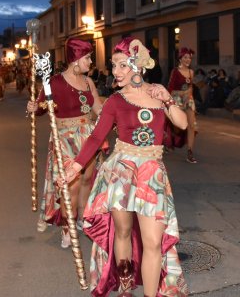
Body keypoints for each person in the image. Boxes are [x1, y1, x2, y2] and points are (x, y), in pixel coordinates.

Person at [59, 37, 189, 297]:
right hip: (121, 173)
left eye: (120, 65)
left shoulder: (157, 92)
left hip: (151, 174)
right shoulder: (116, 101)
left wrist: (168, 100)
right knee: (123, 231)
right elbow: (97, 137)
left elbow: (183, 124)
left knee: (153, 243)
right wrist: (75, 166)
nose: (115, 72)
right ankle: (126, 286)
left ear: (137, 65)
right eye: (114, 66)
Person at [26, 38, 104, 248]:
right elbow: (42, 107)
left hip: (88, 136)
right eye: (88, 58)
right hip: (65, 139)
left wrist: (110, 119)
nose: (90, 62)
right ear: (76, 59)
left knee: (88, 178)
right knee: (72, 183)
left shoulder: (89, 82)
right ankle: (67, 226)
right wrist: (34, 107)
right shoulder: (55, 83)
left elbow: (96, 106)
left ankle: (81, 218)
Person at [167, 47, 199, 163]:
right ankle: (169, 140)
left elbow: (191, 87)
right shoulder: (175, 71)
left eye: (189, 58)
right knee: (177, 126)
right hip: (176, 99)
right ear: (180, 59)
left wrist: (189, 95)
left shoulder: (191, 72)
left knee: (191, 126)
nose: (188, 60)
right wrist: (182, 93)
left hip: (188, 100)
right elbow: (170, 89)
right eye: (185, 57)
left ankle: (190, 151)